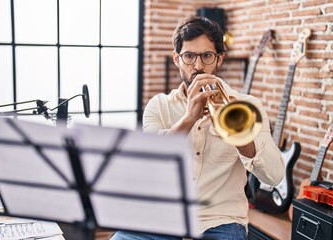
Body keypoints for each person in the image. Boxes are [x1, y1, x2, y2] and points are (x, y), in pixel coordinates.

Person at [110, 16, 284, 240]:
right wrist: (188, 119)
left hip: (221, 220)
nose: (198, 65)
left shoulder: (247, 106)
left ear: (219, 59)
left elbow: (275, 175)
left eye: (207, 56)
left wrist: (240, 136)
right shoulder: (159, 106)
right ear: (177, 59)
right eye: (189, 56)